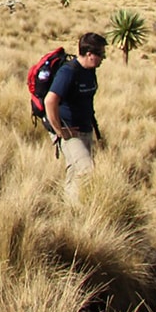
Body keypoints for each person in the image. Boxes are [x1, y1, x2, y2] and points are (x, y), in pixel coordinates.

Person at [44, 32, 107, 200]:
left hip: (85, 129)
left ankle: (71, 211)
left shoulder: (90, 71)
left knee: (74, 172)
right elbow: (50, 101)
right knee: (87, 169)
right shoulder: (68, 72)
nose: (103, 58)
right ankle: (77, 208)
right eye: (100, 54)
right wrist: (59, 131)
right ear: (89, 54)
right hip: (69, 131)